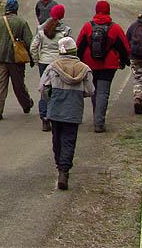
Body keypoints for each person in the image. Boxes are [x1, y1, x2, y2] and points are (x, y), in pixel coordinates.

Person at [39, 36, 95, 190]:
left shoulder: (52, 67)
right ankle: (64, 170)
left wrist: (49, 99)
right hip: (74, 110)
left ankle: (59, 164)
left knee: (56, 139)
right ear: (75, 50)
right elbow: (91, 91)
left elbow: (43, 88)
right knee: (69, 140)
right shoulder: (84, 69)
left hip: (56, 109)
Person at [76, 0, 130, 132]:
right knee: (103, 92)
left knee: (94, 91)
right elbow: (124, 47)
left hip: (90, 63)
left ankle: (97, 116)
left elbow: (80, 46)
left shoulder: (88, 27)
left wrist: (79, 62)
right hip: (108, 64)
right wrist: (124, 61)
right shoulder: (115, 28)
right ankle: (99, 122)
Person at [0, 0, 35, 120]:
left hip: (0, 58)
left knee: (0, 85)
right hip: (16, 59)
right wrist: (32, 59)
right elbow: (30, 42)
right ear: (16, 9)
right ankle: (26, 104)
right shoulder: (22, 23)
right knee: (19, 85)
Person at [30, 4, 72, 131]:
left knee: (45, 88)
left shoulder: (41, 29)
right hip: (58, 63)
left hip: (44, 62)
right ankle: (57, 115)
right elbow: (69, 47)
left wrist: (37, 60)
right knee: (58, 89)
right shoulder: (66, 30)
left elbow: (33, 47)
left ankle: (45, 117)